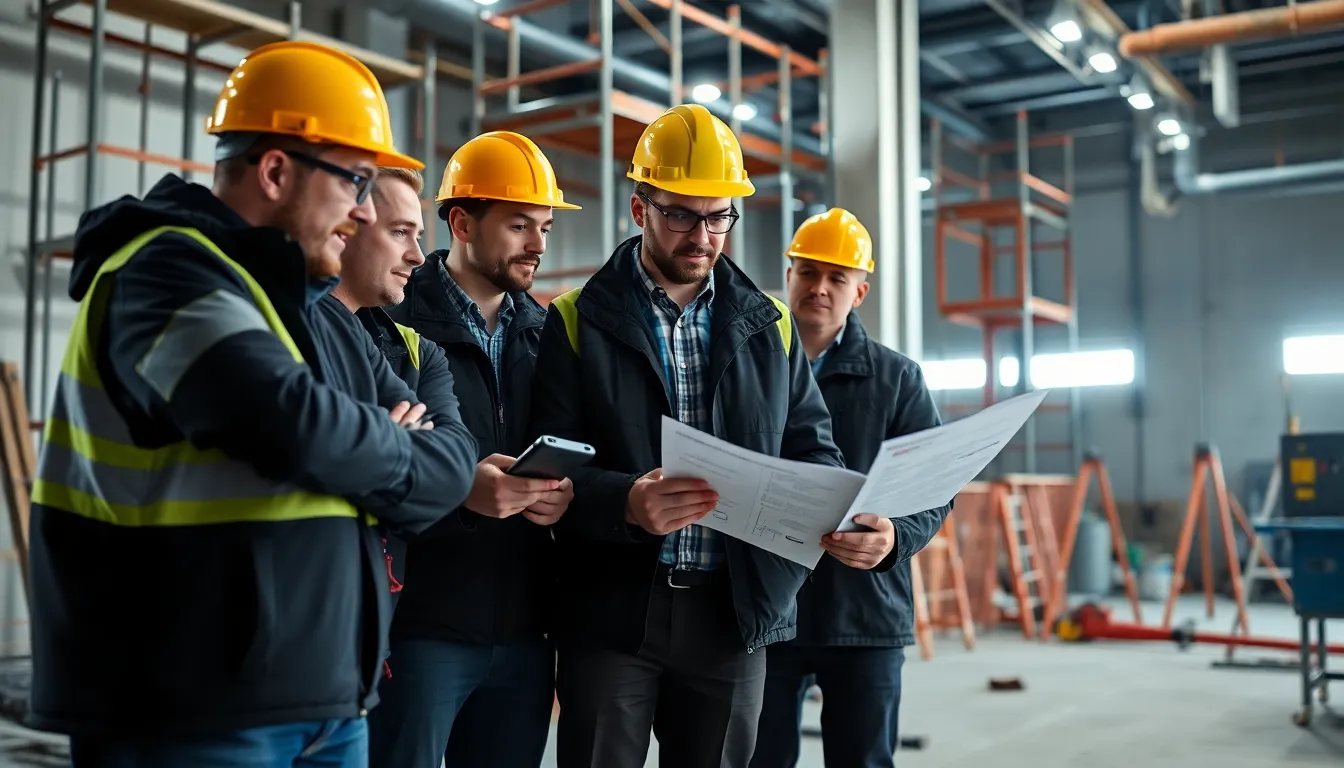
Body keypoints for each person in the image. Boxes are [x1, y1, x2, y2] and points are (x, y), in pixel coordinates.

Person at [26, 40, 479, 767]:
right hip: (188, 707)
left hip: (330, 703)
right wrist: (394, 446)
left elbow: (453, 463)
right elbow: (288, 425)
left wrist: (367, 446)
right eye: (355, 182)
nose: (363, 212)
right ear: (275, 171)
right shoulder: (163, 273)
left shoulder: (320, 311)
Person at [530, 103, 845, 768]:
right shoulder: (575, 319)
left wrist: (844, 512)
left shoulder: (772, 326)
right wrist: (625, 502)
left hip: (733, 612)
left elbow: (814, 451)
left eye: (718, 216)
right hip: (613, 612)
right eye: (680, 215)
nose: (702, 236)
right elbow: (551, 470)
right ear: (640, 208)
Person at [367, 131, 581, 768]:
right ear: (462, 223)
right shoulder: (392, 323)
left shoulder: (547, 335)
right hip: (420, 625)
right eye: (519, 225)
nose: (538, 245)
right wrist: (461, 489)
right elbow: (378, 465)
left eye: (544, 227)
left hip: (524, 630)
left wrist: (563, 495)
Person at [750, 208, 951, 768]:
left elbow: (935, 490)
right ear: (787, 275)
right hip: (767, 605)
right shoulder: (747, 368)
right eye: (808, 272)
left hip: (865, 611)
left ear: (859, 291)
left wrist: (894, 538)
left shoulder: (898, 379)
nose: (819, 287)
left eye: (837, 277)